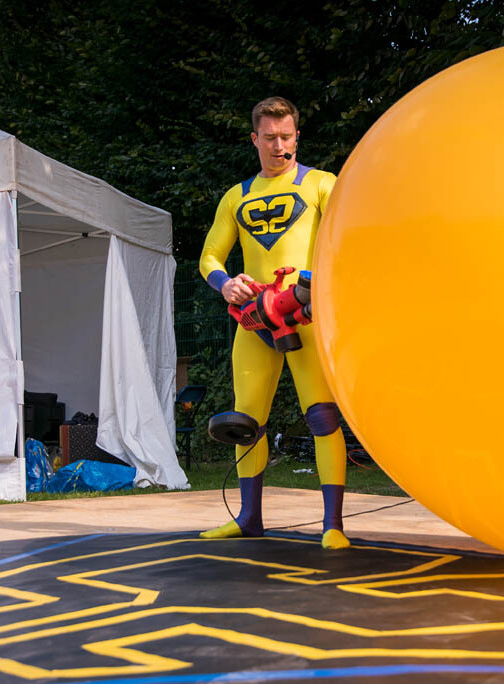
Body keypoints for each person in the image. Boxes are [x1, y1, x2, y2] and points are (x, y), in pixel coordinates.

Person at [198, 96, 349, 549]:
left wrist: (318, 284)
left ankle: (333, 525)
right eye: (269, 138)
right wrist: (226, 284)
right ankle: (249, 518)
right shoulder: (236, 196)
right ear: (254, 139)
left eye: (285, 137)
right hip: (254, 320)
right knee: (245, 422)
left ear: (297, 136)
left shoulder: (322, 184)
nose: (278, 146)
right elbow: (209, 257)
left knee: (322, 416)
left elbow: (346, 236)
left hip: (305, 314)